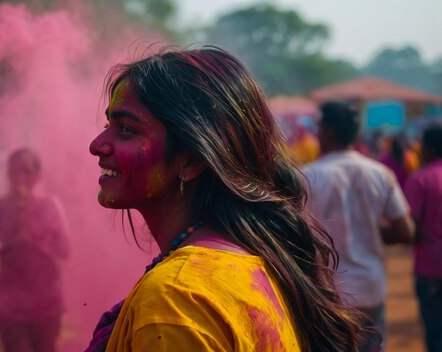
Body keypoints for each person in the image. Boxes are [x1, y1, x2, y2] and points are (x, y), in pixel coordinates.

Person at [86, 47, 361, 352]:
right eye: (107, 126)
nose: (96, 146)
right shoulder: (259, 259)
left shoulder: (176, 297)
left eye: (125, 129)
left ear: (191, 160)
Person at [303, 101, 415, 352]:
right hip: (370, 285)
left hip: (327, 290)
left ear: (328, 132)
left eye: (319, 128)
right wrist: (368, 229)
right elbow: (405, 232)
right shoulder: (380, 173)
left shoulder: (307, 177)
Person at [0, 148, 70, 352]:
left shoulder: (50, 206)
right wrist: (5, 243)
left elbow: (65, 250)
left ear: (37, 176)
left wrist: (36, 241)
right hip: (10, 305)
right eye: (14, 172)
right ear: (7, 174)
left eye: (26, 172)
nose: (20, 178)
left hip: (46, 301)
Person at [404, 125, 442, 352]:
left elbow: (411, 229)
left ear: (427, 148)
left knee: (435, 333)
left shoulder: (421, 180)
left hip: (430, 269)